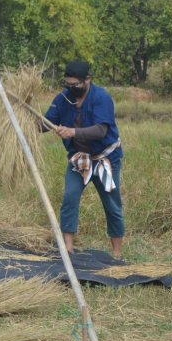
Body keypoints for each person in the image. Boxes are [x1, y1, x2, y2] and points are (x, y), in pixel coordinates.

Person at [44, 60, 124, 258]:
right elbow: (46, 123)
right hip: (79, 160)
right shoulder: (63, 98)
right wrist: (29, 116)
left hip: (105, 158)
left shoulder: (101, 97)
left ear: (87, 79)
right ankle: (68, 249)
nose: (71, 89)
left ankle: (116, 252)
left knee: (111, 203)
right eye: (68, 85)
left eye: (75, 85)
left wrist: (72, 131)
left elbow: (100, 130)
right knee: (70, 198)